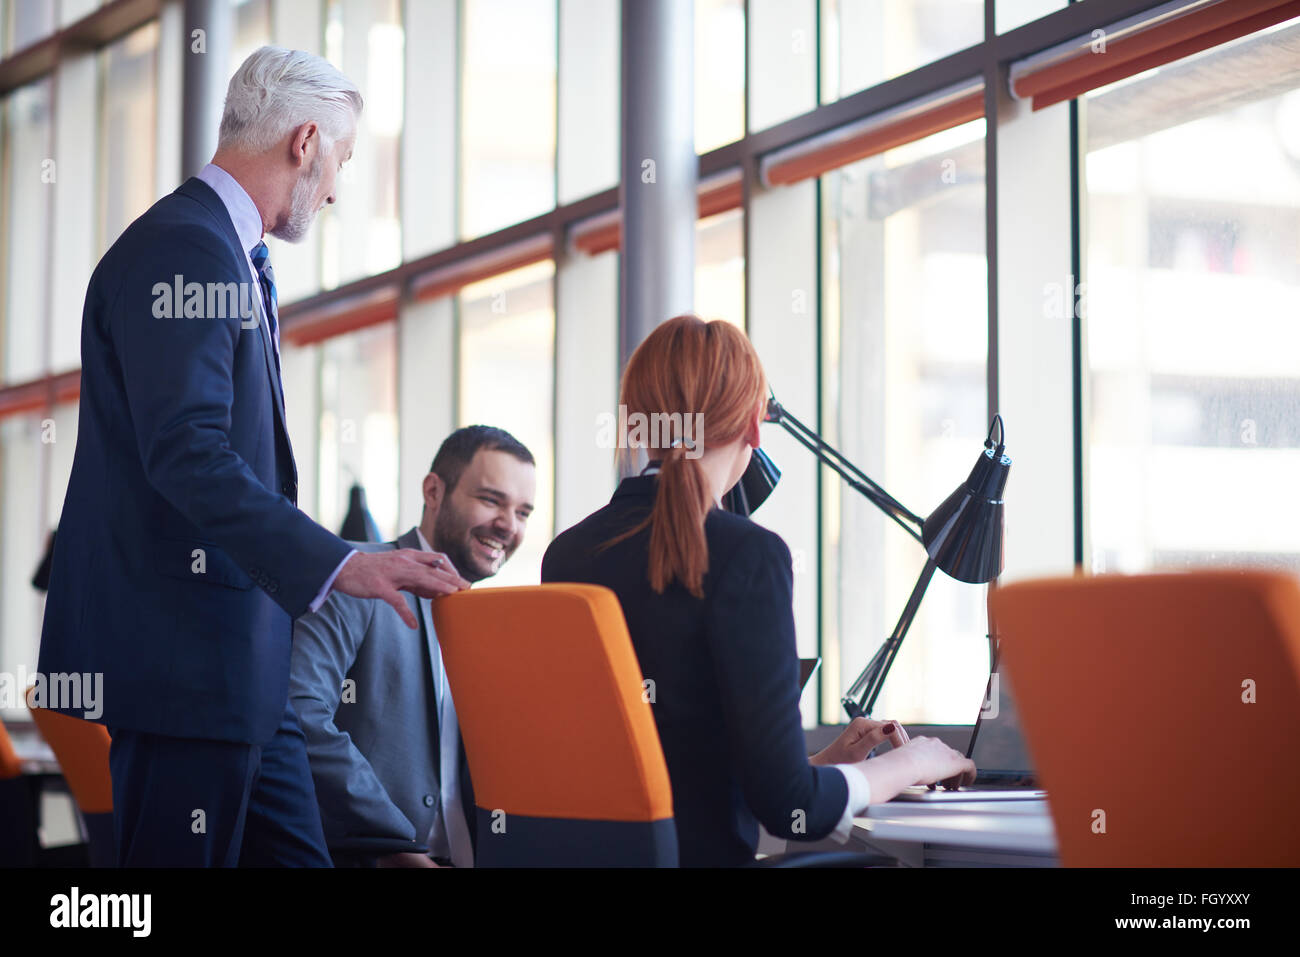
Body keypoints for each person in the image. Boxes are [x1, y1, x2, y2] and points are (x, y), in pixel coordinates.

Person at [36, 47, 468, 868]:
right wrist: (341, 563)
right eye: (340, 159)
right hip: (188, 666)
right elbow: (187, 453)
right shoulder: (187, 250)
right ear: (306, 142)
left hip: (242, 668)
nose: (337, 187)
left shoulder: (222, 254)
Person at [542, 314, 975, 867]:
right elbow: (791, 809)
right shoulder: (747, 554)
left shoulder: (568, 554)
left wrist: (810, 763)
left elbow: (665, 762)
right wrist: (912, 764)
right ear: (753, 427)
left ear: (636, 425)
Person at [290, 427, 536, 868]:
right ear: (434, 491)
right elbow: (300, 711)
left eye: (523, 512)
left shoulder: (499, 622)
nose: (508, 525)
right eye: (491, 500)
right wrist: (393, 844)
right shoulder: (357, 577)